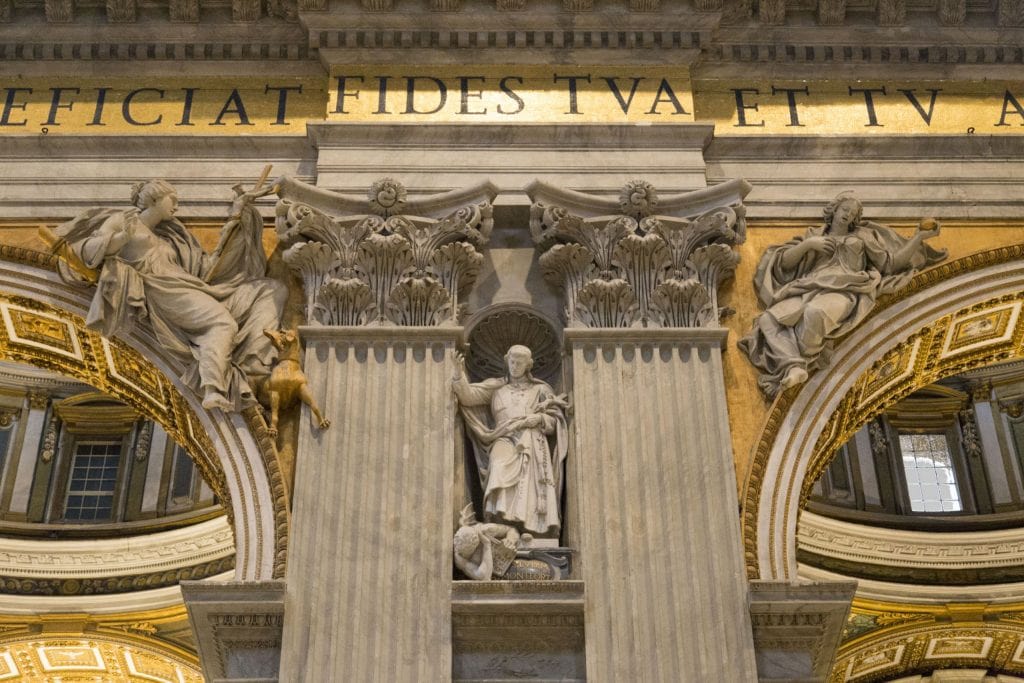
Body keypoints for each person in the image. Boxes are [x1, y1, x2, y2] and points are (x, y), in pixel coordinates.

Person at [50, 180, 287, 410]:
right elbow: (91, 250)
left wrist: (236, 214)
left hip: (189, 286)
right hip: (163, 290)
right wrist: (121, 238)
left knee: (272, 289)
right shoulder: (124, 220)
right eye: (172, 199)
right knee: (222, 323)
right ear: (155, 198)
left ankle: (254, 364)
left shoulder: (170, 239)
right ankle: (214, 386)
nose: (176, 206)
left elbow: (208, 268)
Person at [739, 192, 946, 397]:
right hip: (809, 286)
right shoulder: (815, 234)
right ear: (834, 210)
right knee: (767, 320)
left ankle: (806, 356)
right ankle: (794, 364)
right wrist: (808, 245)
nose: (848, 214)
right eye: (845, 209)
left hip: (845, 288)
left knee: (815, 313)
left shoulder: (862, 237)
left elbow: (891, 264)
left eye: (853, 213)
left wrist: (919, 237)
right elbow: (783, 264)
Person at [453, 345, 569, 538]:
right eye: (512, 362)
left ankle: (530, 529)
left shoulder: (540, 389)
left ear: (528, 365)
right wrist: (458, 375)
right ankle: (501, 524)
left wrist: (539, 419)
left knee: (529, 482)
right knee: (498, 466)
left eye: (519, 363)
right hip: (504, 436)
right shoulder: (497, 388)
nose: (515, 366)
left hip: (531, 439)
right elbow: (468, 397)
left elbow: (555, 420)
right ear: (507, 362)